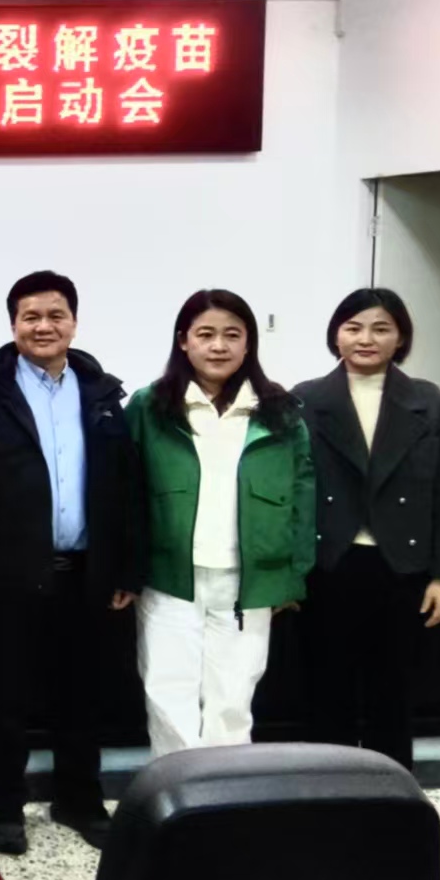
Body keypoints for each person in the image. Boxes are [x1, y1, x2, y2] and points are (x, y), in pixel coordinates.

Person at [0, 271, 146, 853]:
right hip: (9, 575)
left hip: (87, 572)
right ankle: (5, 806)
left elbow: (126, 487)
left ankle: (78, 799)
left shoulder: (101, 393)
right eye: (31, 317)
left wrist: (126, 567)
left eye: (55, 315)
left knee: (84, 695)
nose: (43, 326)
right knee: (4, 697)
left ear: (74, 322)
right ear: (13, 324)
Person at [123, 288, 314, 755]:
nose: (218, 346)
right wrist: (126, 569)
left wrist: (291, 577)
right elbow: (123, 492)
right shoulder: (150, 407)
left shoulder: (279, 411)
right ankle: (179, 794)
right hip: (169, 577)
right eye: (205, 334)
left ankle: (225, 793)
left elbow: (302, 495)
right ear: (183, 341)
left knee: (233, 698)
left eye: (232, 335)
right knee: (168, 694)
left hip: (249, 581)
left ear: (248, 344)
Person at [293, 289, 440, 770]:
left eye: (381, 328)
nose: (366, 339)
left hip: (402, 567)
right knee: (326, 689)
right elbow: (288, 491)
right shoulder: (305, 399)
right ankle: (324, 790)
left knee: (392, 692)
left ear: (401, 338)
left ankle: (389, 792)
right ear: (336, 336)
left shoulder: (428, 402)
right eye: (353, 328)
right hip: (328, 564)